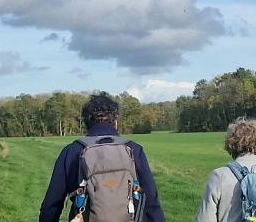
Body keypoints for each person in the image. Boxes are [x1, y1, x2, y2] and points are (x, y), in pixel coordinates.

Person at [41, 93, 165, 222]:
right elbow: (152, 202)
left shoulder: (71, 151)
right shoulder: (134, 150)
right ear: (115, 122)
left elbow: (52, 204)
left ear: (86, 124)